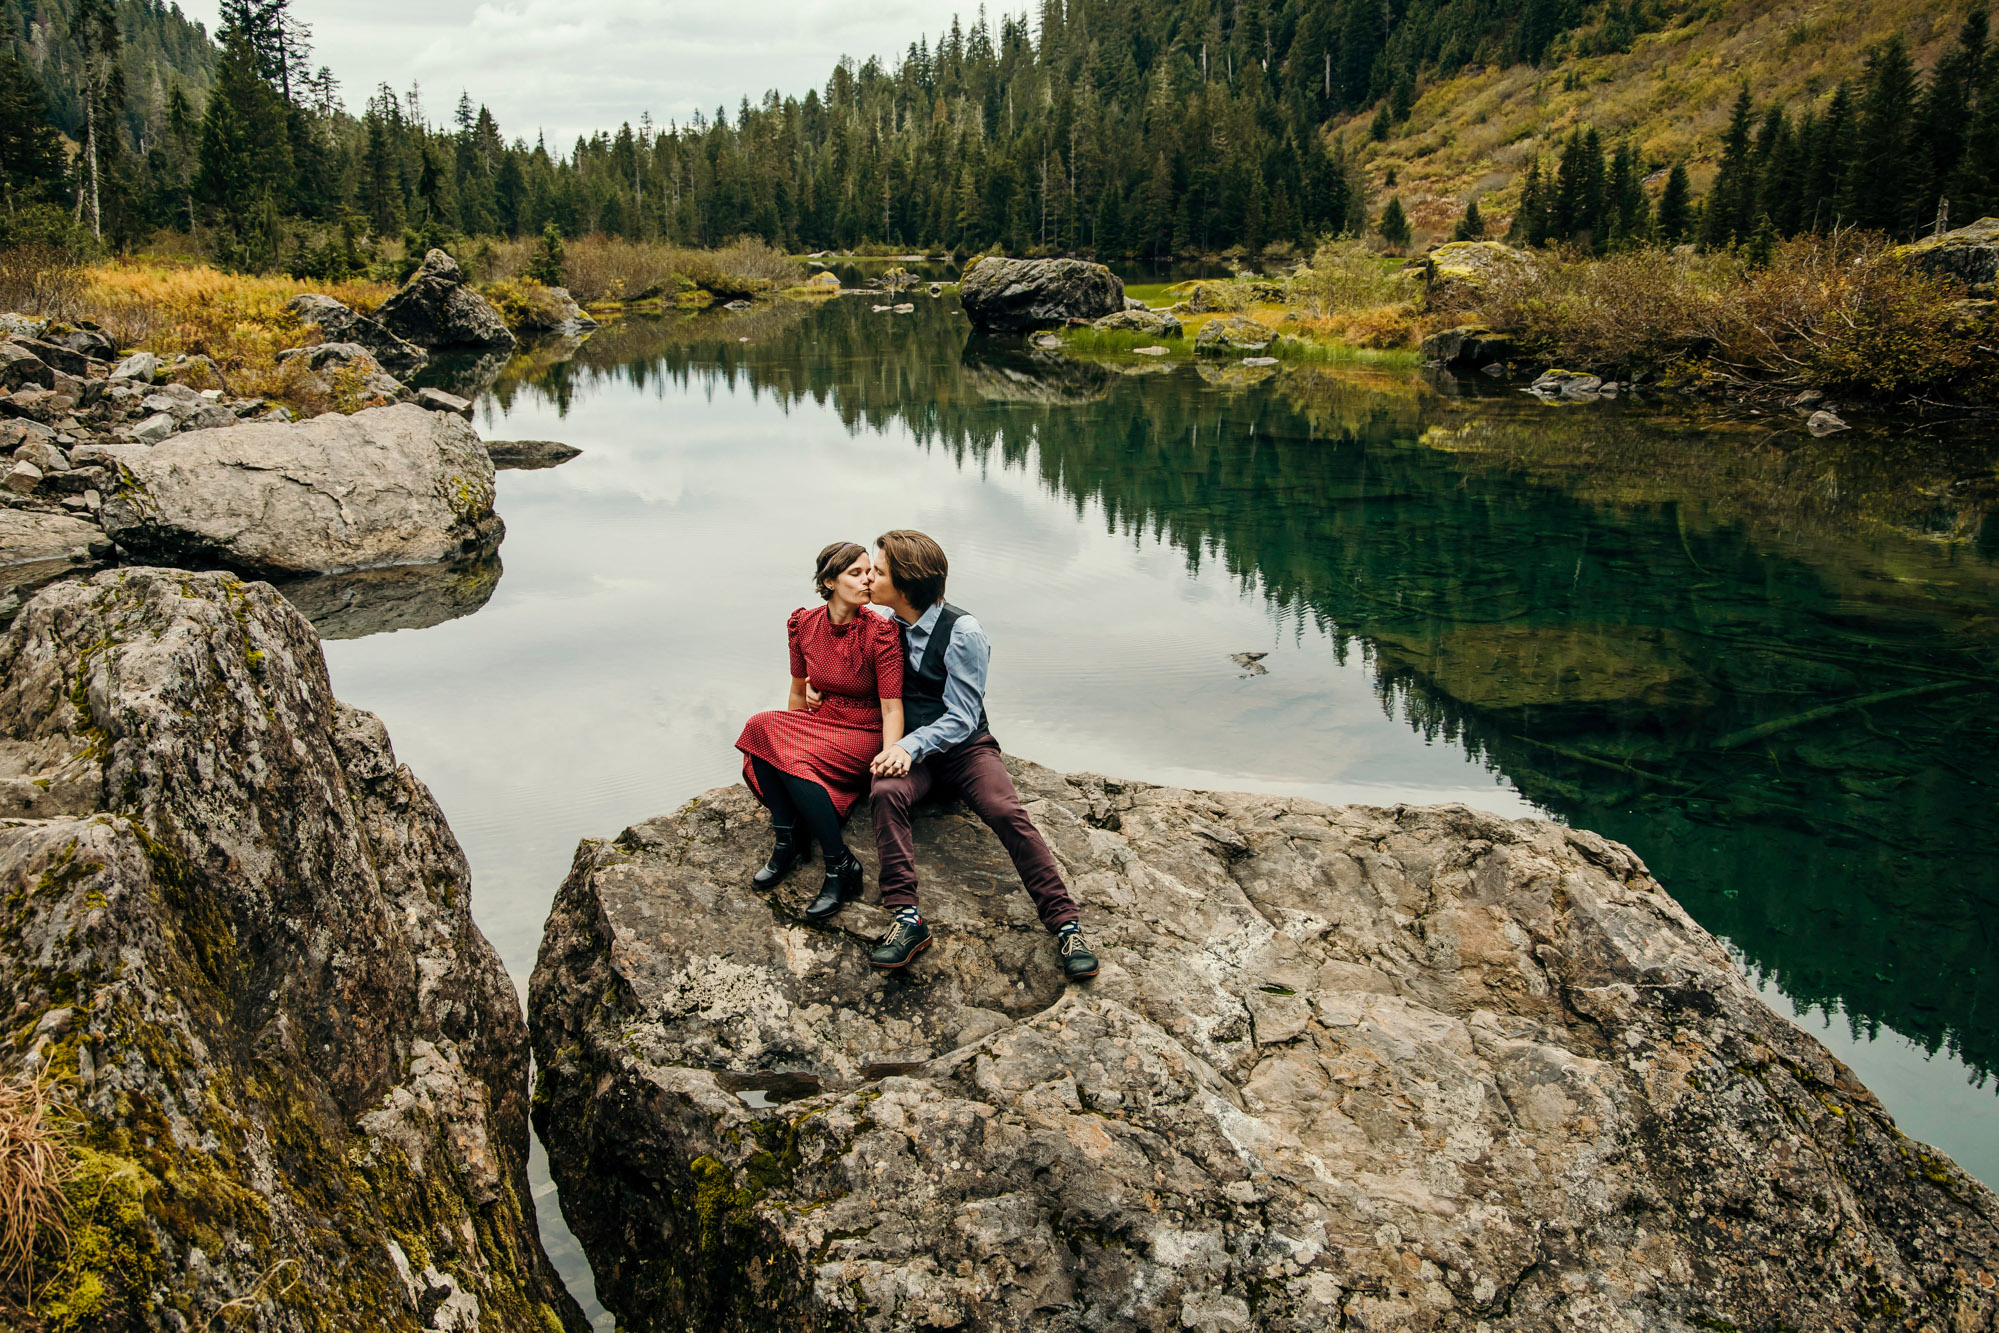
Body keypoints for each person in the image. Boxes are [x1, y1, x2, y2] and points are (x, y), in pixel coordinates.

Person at [860, 529, 1100, 980]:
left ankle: (1066, 926)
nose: (869, 577)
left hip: (966, 752)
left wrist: (907, 745)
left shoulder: (962, 631)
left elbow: (963, 717)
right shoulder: (883, 627)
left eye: (878, 570)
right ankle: (907, 920)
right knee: (885, 792)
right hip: (916, 763)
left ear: (906, 584)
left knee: (1005, 811)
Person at [735, 542, 905, 923]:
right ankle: (787, 839)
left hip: (864, 731)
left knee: (787, 753)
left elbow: (892, 706)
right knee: (761, 728)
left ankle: (839, 864)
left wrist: (891, 755)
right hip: (822, 721)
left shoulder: (880, 632)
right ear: (830, 581)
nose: (868, 580)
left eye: (870, 572)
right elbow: (798, 690)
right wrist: (787, 742)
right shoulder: (803, 624)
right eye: (856, 573)